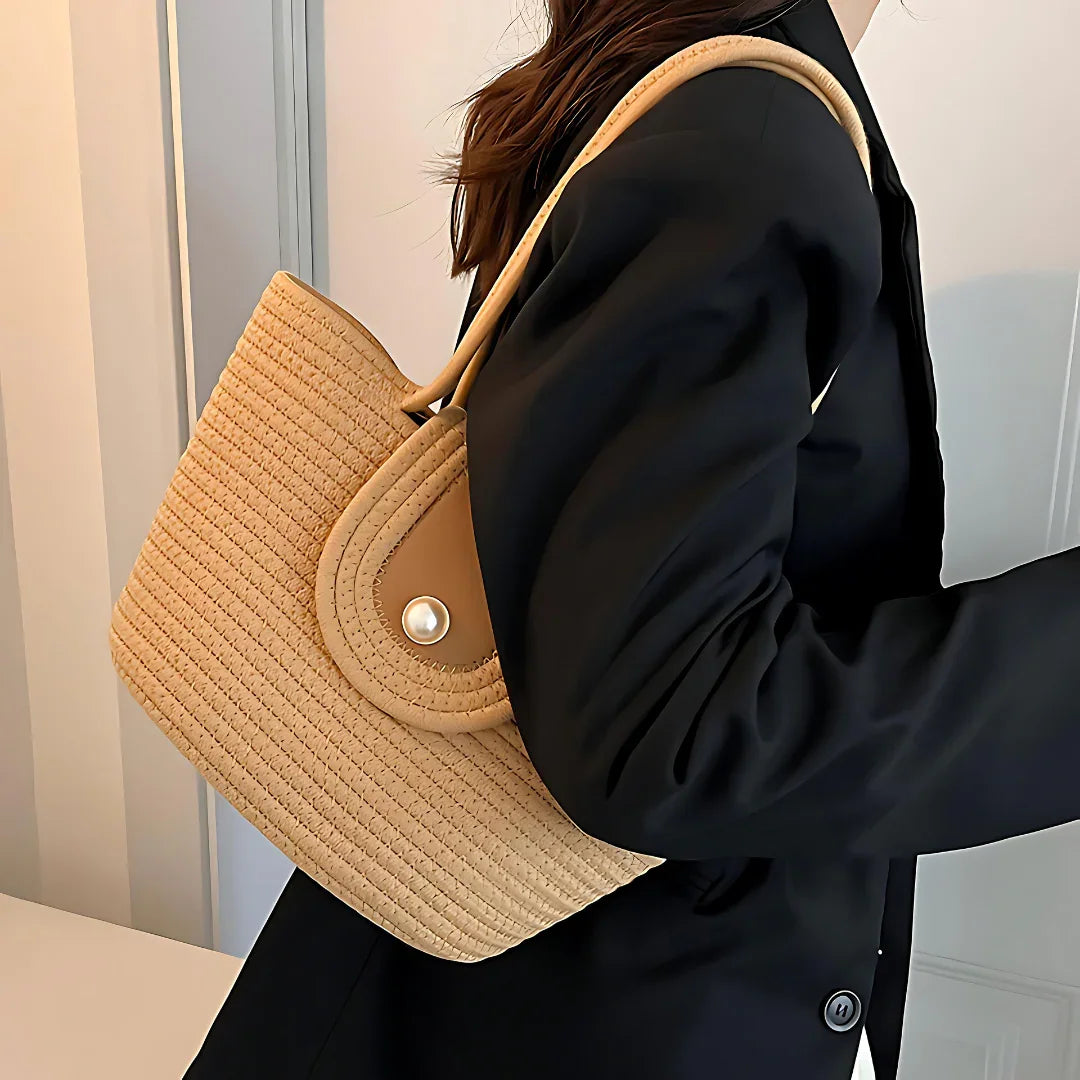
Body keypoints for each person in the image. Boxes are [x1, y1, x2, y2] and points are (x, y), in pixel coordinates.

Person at [184, 1, 1080, 1078]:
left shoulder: (683, 66)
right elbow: (661, 724)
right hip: (582, 1007)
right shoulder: (749, 136)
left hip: (506, 961)